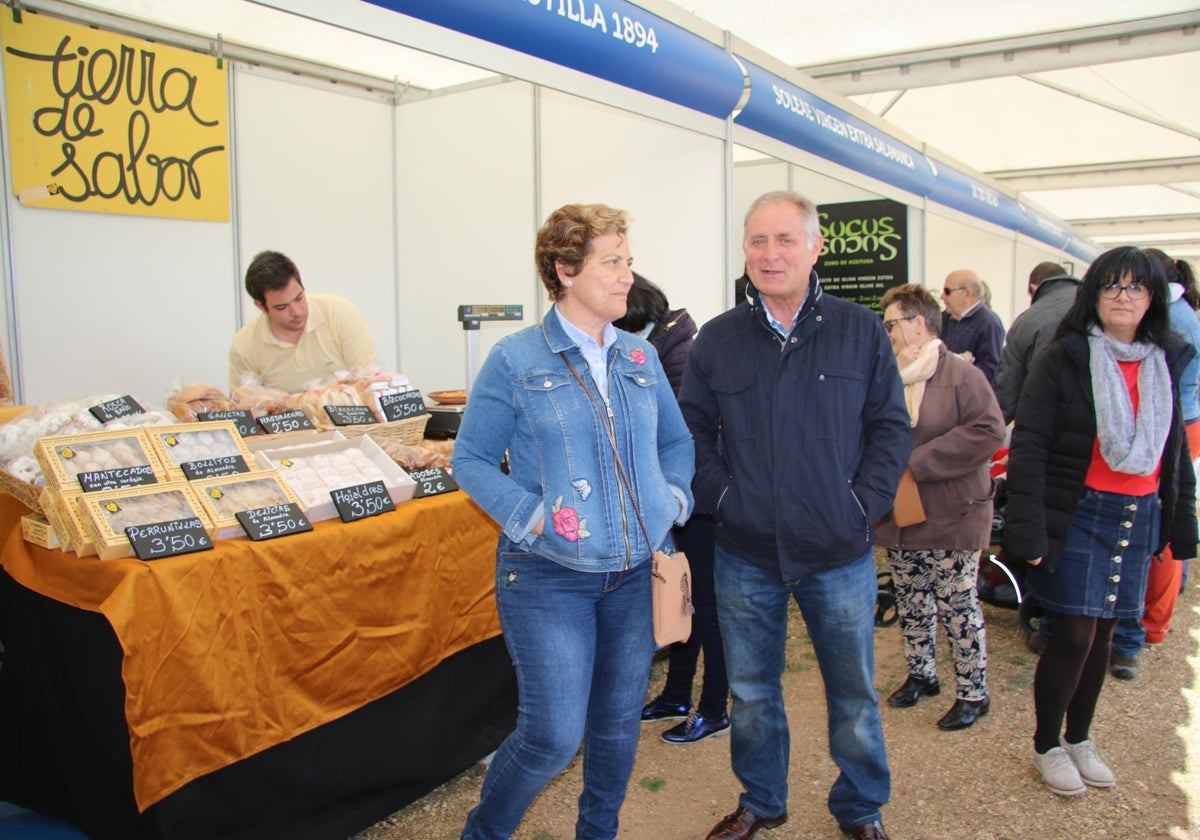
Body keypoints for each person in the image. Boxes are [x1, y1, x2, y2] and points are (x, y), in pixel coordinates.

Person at [450, 203, 695, 839]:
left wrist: (673, 498)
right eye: (611, 262)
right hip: (547, 577)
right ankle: (483, 833)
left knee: (616, 727)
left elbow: (677, 443)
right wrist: (528, 516)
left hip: (636, 575)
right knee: (553, 736)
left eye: (628, 262)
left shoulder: (640, 358)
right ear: (564, 270)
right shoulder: (515, 359)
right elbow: (471, 459)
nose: (626, 278)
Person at [679, 191, 912, 840]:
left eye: (786, 240)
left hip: (838, 553)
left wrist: (860, 505)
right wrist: (724, 499)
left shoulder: (859, 329)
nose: (770, 253)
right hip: (745, 551)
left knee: (854, 694)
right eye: (758, 240)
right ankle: (761, 800)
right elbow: (691, 433)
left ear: (816, 248)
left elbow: (890, 430)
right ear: (745, 251)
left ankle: (861, 807)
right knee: (752, 692)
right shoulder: (718, 340)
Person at [1005, 246, 1197, 797]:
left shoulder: (1168, 357)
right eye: (1111, 286)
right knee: (1072, 633)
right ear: (1094, 294)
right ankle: (1047, 743)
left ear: (1153, 297)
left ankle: (1081, 737)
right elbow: (1032, 444)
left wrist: (1178, 525)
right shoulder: (1065, 355)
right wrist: (1027, 530)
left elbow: (1174, 454)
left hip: (1138, 514)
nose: (1123, 296)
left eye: (1136, 287)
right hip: (1079, 511)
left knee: (1106, 635)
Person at [875, 284, 1005, 731]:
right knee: (911, 597)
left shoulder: (961, 374)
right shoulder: (888, 374)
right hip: (904, 513)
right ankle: (922, 674)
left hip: (954, 511)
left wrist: (914, 461)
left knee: (956, 602)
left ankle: (973, 691)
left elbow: (989, 430)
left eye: (892, 323)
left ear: (919, 323)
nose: (887, 331)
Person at [615, 275, 730, 745]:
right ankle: (678, 693)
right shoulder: (663, 345)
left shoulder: (675, 354)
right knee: (681, 599)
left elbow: (680, 437)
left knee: (707, 606)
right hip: (679, 500)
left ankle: (715, 707)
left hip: (698, 502)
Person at [1110, 249, 1200, 679]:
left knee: (1156, 535)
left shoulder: (1170, 323)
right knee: (1155, 535)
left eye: (1134, 286)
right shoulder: (1181, 313)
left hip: (1167, 432)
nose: (1124, 296)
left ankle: (1145, 627)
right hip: (1175, 427)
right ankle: (1143, 628)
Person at [228, 250, 377, 392]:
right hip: (282, 418)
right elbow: (241, 406)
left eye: (299, 298)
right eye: (282, 307)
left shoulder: (339, 313)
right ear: (261, 306)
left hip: (349, 415)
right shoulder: (244, 345)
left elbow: (369, 385)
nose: (297, 312)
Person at [994, 262, 1081, 425]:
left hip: (1043, 421)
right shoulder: (1096, 305)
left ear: (1034, 288)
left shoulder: (1026, 321)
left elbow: (1007, 389)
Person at [940, 269, 1006, 384]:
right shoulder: (944, 318)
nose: (942, 296)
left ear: (968, 294)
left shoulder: (989, 323)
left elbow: (990, 370)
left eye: (947, 291)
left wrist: (961, 368)